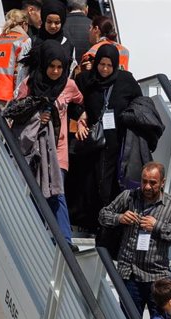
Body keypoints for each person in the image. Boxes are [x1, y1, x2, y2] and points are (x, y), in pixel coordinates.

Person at [6, 41, 83, 247]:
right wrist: (36, 117)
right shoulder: (29, 84)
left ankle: (64, 238)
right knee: (37, 191)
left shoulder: (69, 85)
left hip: (59, 149)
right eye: (52, 66)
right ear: (44, 65)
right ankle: (38, 235)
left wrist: (81, 117)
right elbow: (16, 112)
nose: (56, 71)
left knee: (57, 191)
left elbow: (79, 102)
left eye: (60, 67)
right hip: (35, 149)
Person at [98, 162, 171, 316]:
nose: (147, 187)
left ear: (163, 182)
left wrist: (157, 226)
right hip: (130, 275)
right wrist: (120, 217)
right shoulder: (129, 196)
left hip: (157, 277)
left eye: (153, 183)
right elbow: (103, 215)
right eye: (144, 181)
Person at [70, 44, 141, 232]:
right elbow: (72, 102)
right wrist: (81, 114)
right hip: (93, 142)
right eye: (102, 64)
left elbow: (139, 102)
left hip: (117, 143)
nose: (105, 69)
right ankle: (90, 223)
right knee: (90, 183)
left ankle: (109, 225)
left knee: (111, 184)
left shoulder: (125, 81)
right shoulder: (86, 79)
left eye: (110, 65)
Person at [31, 0, 77, 73]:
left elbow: (71, 70)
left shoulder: (68, 45)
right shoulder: (31, 42)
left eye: (57, 22)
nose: (53, 26)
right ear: (43, 20)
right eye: (49, 22)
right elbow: (23, 72)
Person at [62, 0, 92, 64]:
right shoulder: (92, 26)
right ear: (86, 8)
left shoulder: (60, 25)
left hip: (62, 69)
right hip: (86, 69)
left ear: (67, 9)